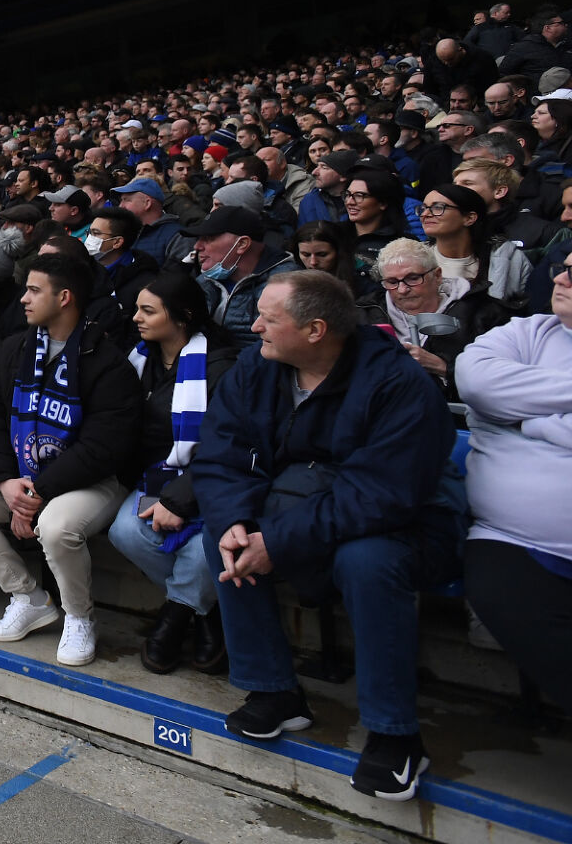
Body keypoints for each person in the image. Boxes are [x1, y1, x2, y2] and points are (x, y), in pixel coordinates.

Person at [191, 271, 460, 801]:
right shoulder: (257, 366)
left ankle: (395, 732)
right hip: (305, 507)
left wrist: (279, 541)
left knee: (367, 562)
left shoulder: (398, 384)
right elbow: (220, 453)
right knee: (225, 539)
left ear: (315, 330)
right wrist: (236, 524)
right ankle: (273, 691)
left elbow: (382, 494)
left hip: (405, 523)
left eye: (270, 317)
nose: (255, 324)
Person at [0, 251, 150, 665]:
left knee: (55, 527)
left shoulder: (107, 362)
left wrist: (36, 493)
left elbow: (103, 448)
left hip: (90, 481)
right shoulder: (15, 348)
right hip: (22, 473)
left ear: (66, 297)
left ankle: (79, 616)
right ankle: (28, 596)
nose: (23, 298)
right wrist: (4, 480)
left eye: (35, 290)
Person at [105, 271, 242, 674]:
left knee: (203, 552)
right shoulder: (137, 359)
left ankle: (175, 617)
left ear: (181, 317)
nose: (136, 318)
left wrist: (183, 496)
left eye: (148, 311)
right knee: (125, 531)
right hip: (153, 477)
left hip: (211, 480)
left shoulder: (222, 367)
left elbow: (226, 445)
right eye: (136, 309)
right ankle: (204, 613)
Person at [456, 253, 572, 713]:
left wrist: (529, 422)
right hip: (514, 543)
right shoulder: (528, 331)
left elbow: (499, 401)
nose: (559, 277)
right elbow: (476, 383)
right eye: (564, 266)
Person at [359, 238, 510, 402]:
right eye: (392, 282)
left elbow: (503, 382)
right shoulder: (362, 314)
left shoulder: (483, 313)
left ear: (437, 275)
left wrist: (444, 368)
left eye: (413, 278)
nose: (402, 290)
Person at [190, 207, 299, 352]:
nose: (197, 246)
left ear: (242, 244)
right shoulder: (207, 278)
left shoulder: (286, 284)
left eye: (209, 238)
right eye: (199, 239)